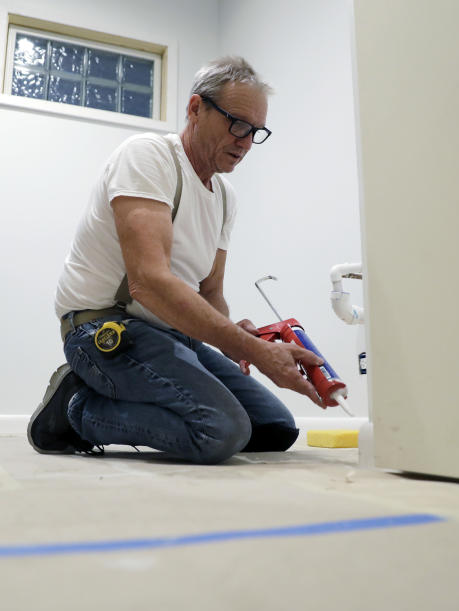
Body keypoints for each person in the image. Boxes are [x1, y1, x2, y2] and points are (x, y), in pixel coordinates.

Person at [28, 56, 325, 464]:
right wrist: (252, 352)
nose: (245, 141)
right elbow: (147, 283)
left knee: (273, 428)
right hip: (103, 328)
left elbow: (212, 292)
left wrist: (240, 342)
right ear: (195, 109)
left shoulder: (224, 198)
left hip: (171, 335)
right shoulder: (148, 157)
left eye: (256, 131)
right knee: (221, 430)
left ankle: (124, 400)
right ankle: (76, 409)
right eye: (237, 123)